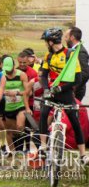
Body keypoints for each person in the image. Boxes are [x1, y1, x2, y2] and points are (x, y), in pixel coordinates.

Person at [38, 28, 88, 164]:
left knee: (74, 121)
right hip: (51, 92)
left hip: (65, 92)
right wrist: (46, 89)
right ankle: (42, 146)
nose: (45, 45)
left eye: (46, 42)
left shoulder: (70, 55)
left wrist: (60, 88)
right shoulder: (48, 56)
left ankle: (83, 155)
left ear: (50, 42)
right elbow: (43, 75)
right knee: (43, 113)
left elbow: (77, 79)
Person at [2, 56, 31, 153]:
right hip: (7, 107)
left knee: (19, 127)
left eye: (9, 69)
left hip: (20, 105)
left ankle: (20, 149)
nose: (7, 72)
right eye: (6, 70)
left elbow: (28, 92)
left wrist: (17, 93)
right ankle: (13, 152)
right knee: (10, 131)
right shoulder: (2, 75)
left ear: (14, 66)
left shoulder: (22, 75)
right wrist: (6, 93)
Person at [64, 27, 89, 101]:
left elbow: (85, 74)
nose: (65, 39)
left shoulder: (81, 51)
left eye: (66, 37)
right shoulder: (72, 50)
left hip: (76, 91)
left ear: (72, 37)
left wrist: (73, 88)